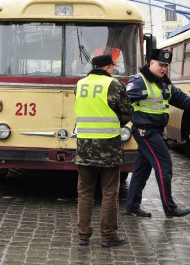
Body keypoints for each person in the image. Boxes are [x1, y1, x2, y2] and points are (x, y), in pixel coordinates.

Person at [75, 54, 133, 247]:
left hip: (84, 146)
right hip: (108, 145)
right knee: (109, 192)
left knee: (85, 192)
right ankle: (108, 236)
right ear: (108, 67)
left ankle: (83, 234)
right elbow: (126, 113)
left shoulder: (80, 84)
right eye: (112, 67)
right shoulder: (114, 85)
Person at [125, 49, 190, 218]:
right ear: (151, 63)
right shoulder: (139, 82)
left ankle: (132, 206)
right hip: (145, 131)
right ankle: (170, 208)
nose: (164, 69)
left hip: (155, 131)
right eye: (161, 65)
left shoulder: (164, 84)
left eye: (166, 66)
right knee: (164, 165)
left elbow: (183, 100)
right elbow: (122, 102)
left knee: (141, 169)